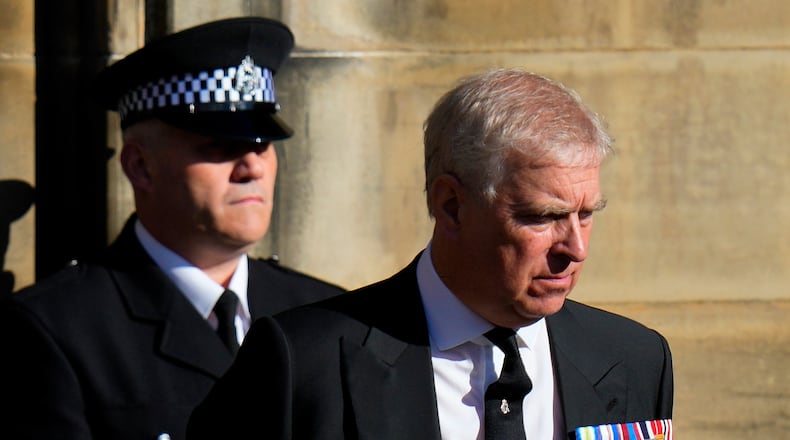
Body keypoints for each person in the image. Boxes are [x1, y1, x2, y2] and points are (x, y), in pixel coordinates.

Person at [187, 68, 674, 440]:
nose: (576, 248)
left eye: (587, 214)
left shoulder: (632, 359)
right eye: (541, 217)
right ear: (451, 205)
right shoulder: (306, 362)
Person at [0, 17, 344, 440]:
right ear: (141, 166)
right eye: (219, 146)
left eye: (261, 145)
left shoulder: (324, 313)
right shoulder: (59, 330)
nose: (251, 166)